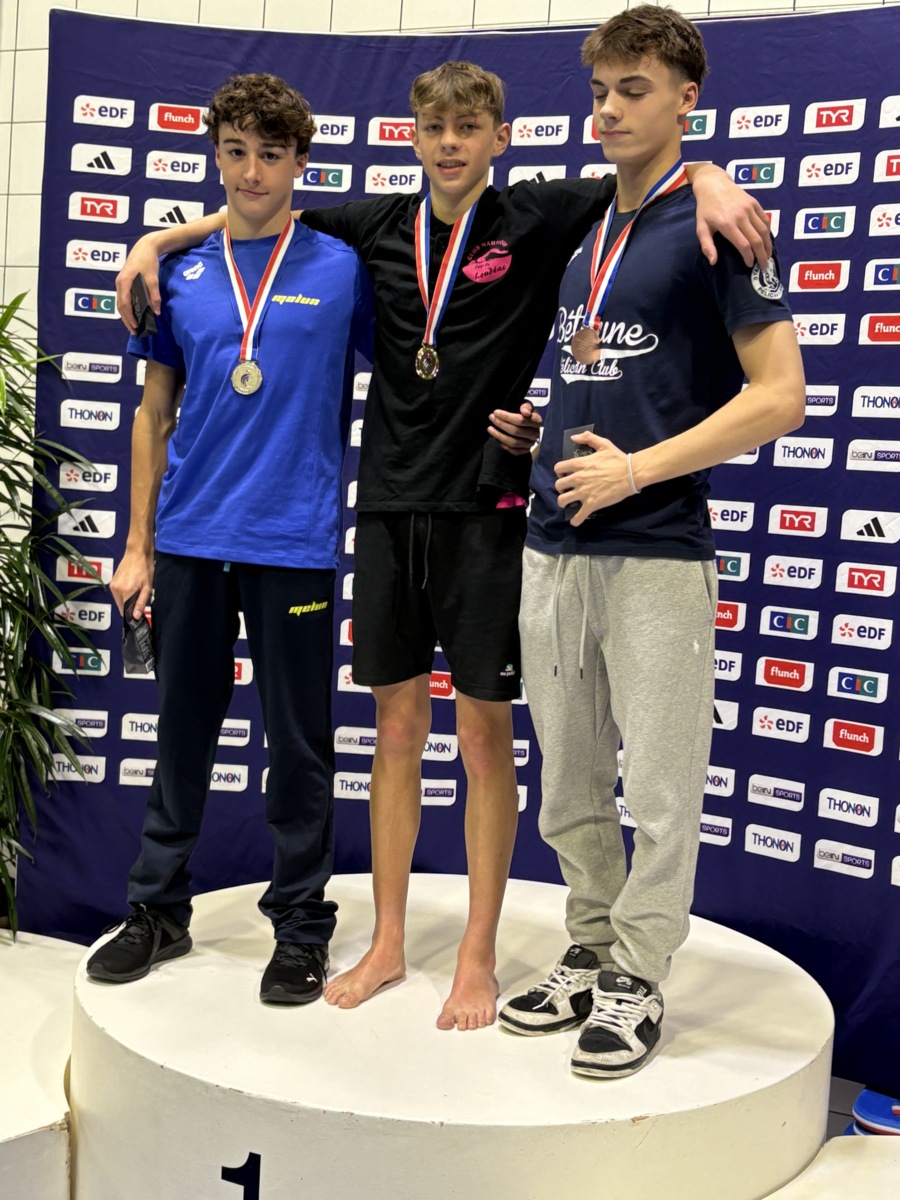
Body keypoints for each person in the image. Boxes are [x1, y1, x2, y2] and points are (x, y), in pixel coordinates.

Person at [115, 59, 772, 1030]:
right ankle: (386, 942)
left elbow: (649, 179)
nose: (451, 144)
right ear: (413, 138)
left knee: (482, 738)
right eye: (434, 128)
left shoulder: (535, 216)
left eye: (470, 127)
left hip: (487, 513)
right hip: (387, 508)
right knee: (394, 731)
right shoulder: (374, 227)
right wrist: (161, 236)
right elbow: (260, 211)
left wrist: (713, 177)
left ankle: (475, 957)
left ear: (500, 139)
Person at [497, 7, 805, 1076]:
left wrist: (635, 468)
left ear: (686, 98)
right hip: (552, 543)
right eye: (600, 91)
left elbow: (780, 397)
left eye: (634, 90)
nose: (610, 110)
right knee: (570, 783)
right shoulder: (592, 233)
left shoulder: (719, 224)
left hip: (657, 547)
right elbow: (611, 363)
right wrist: (547, 427)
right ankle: (588, 947)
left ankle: (638, 974)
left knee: (662, 789)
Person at [87, 73, 374, 1007]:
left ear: (301, 162)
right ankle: (157, 909)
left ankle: (299, 925)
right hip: (189, 538)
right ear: (216, 154)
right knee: (181, 734)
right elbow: (152, 414)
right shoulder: (177, 276)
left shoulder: (342, 268)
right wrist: (137, 545)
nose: (252, 173)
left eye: (272, 155)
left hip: (292, 541)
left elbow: (413, 381)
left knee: (298, 747)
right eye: (236, 152)